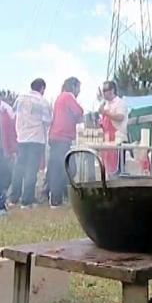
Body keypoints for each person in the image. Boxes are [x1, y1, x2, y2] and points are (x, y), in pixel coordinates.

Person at [9, 78, 52, 208]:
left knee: (19, 168)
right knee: (31, 169)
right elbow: (48, 121)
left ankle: (13, 198)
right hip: (36, 138)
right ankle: (27, 200)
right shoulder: (42, 102)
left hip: (21, 137)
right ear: (42, 88)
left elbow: (13, 114)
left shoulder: (20, 98)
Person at [46, 77, 83, 207]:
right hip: (62, 137)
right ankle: (56, 198)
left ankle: (57, 196)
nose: (79, 91)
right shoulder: (68, 96)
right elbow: (79, 111)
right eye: (78, 88)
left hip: (56, 136)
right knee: (66, 168)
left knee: (60, 167)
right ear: (73, 86)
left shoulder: (60, 97)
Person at [99, 81, 128, 175]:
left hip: (118, 141)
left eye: (105, 90)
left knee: (117, 173)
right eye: (102, 90)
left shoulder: (120, 102)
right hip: (107, 142)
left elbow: (120, 117)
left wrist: (105, 112)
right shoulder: (106, 104)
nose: (103, 93)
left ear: (112, 90)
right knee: (107, 171)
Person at [0, 99, 16, 216]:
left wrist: (9, 150)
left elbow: (10, 131)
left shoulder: (6, 110)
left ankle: (1, 205)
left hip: (3, 149)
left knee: (5, 177)